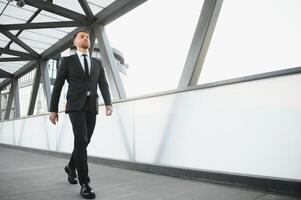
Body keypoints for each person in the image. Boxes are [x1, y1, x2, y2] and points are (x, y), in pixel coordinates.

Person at [49, 30, 113, 199]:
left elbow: (104, 85)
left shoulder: (97, 63)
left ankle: (71, 167)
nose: (86, 38)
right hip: (75, 105)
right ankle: (84, 183)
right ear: (75, 42)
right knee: (81, 139)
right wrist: (53, 108)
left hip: (92, 106)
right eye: (82, 36)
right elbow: (58, 85)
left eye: (88, 36)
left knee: (85, 140)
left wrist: (108, 103)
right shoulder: (67, 61)